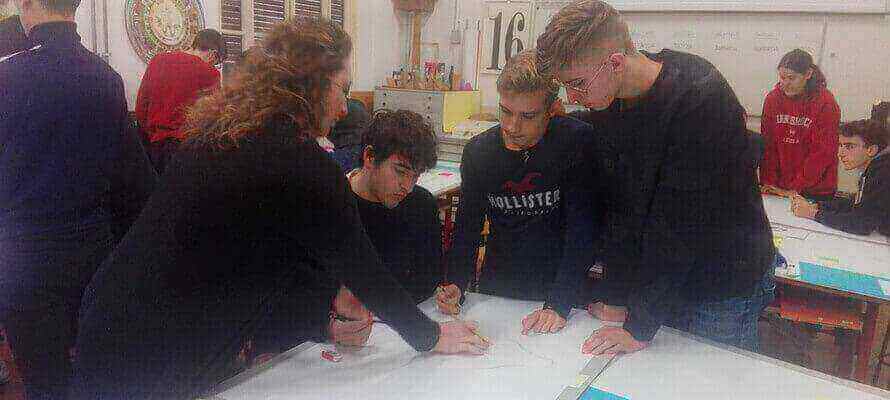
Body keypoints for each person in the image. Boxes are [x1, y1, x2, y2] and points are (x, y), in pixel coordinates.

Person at [71, 18, 487, 400]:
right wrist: (431, 336)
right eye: (342, 89)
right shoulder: (299, 164)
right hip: (153, 349)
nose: (345, 108)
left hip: (110, 317)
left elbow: (262, 260)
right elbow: (366, 273)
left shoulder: (222, 135)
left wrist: (326, 306)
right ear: (311, 84)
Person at [536, 0, 775, 355]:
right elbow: (621, 207)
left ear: (615, 63)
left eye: (577, 84)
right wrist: (617, 295)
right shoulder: (611, 99)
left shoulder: (700, 98)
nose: (572, 97)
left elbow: (679, 225)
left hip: (722, 279)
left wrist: (640, 325)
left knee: (708, 379)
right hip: (667, 279)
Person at [0, 0, 157, 398]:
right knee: (95, 374)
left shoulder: (7, 76)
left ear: (27, 5)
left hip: (25, 263)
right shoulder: (106, 78)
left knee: (44, 382)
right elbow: (134, 184)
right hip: (92, 256)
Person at [437, 50, 602, 336]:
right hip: (499, 287)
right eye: (506, 111)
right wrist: (457, 285)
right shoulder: (479, 152)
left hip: (561, 290)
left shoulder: (577, 141)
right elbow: (467, 230)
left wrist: (558, 304)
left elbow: (583, 231)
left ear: (552, 110)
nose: (512, 127)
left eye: (528, 116)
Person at [347, 109, 441, 303]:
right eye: (401, 172)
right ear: (370, 157)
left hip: (402, 316)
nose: (408, 186)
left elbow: (429, 280)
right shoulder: (332, 204)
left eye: (416, 176)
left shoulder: (422, 204)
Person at [135, 29, 225, 173]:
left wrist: (151, 136)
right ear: (213, 54)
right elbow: (213, 119)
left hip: (154, 146)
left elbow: (141, 107)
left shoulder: (158, 60)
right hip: (188, 149)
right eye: (217, 63)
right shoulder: (210, 73)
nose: (215, 66)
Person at [760, 49, 841, 202]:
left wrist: (795, 187)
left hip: (815, 188)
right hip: (779, 186)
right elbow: (768, 145)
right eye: (782, 77)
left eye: (792, 78)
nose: (785, 83)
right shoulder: (773, 99)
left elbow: (822, 152)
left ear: (808, 74)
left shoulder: (826, 103)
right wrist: (769, 182)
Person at [791, 119, 890, 236]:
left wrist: (812, 214)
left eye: (849, 146)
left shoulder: (883, 172)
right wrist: (817, 206)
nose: (840, 153)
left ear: (871, 150)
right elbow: (858, 203)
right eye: (840, 145)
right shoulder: (877, 166)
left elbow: (862, 224)